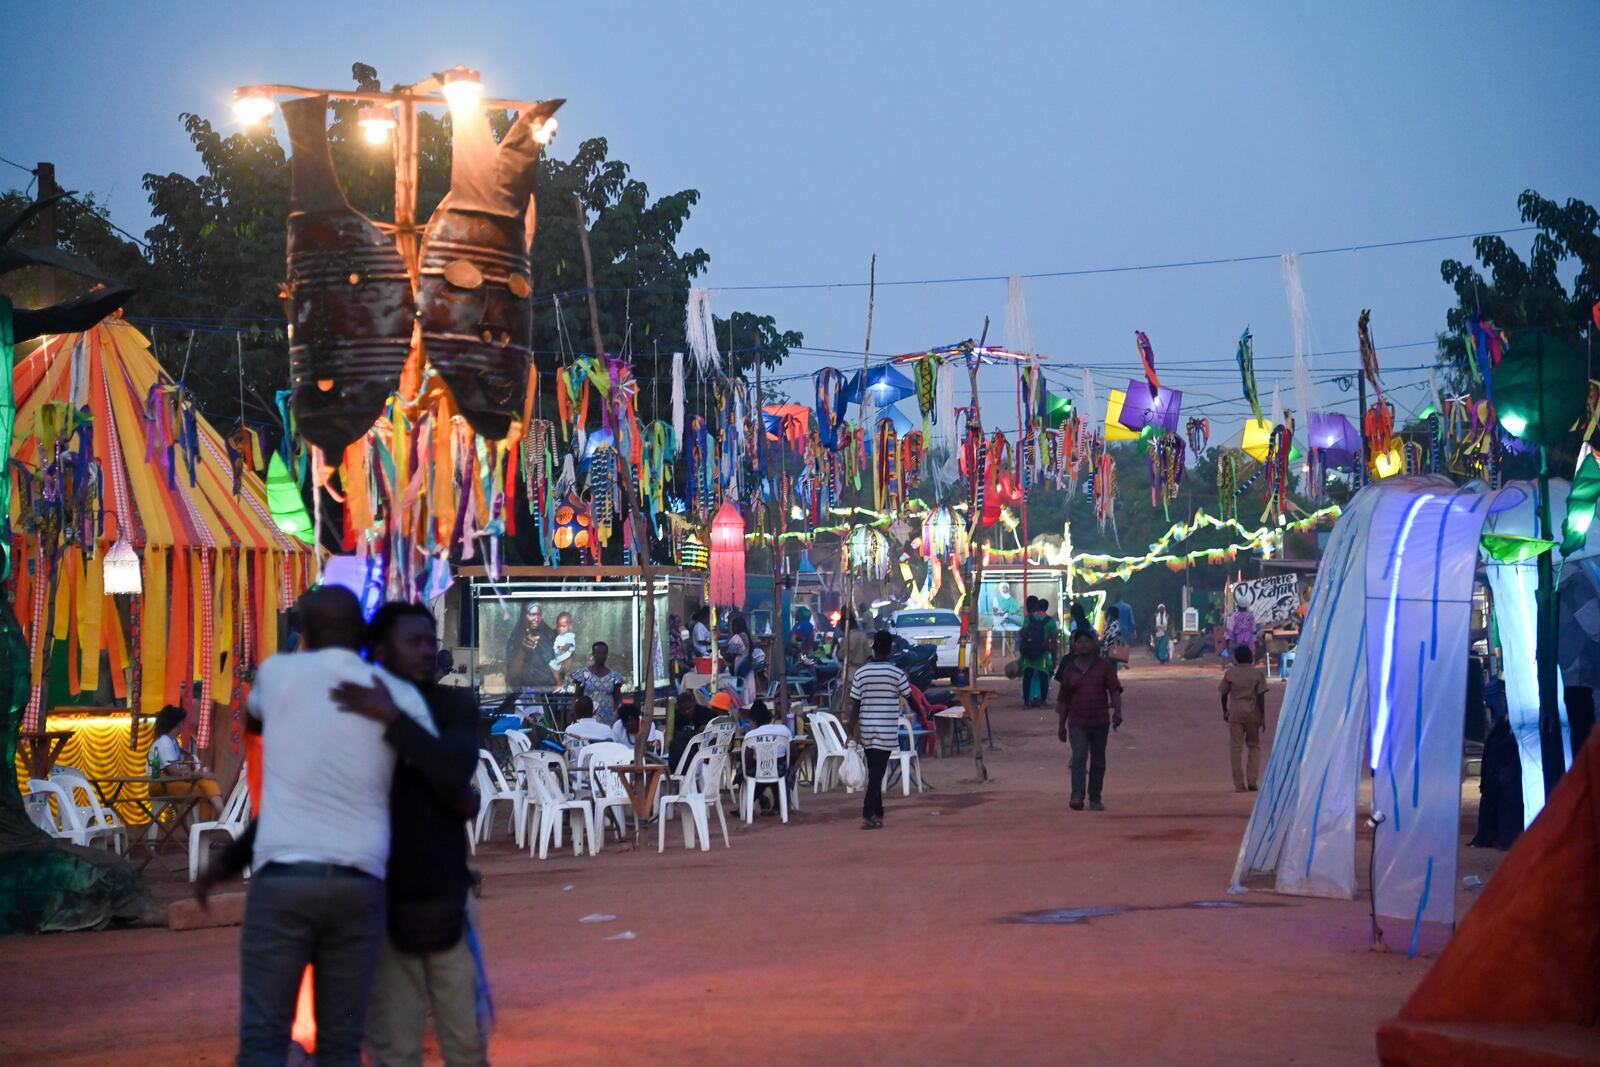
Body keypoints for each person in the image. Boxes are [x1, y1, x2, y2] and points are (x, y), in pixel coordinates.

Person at [233, 586, 436, 1067]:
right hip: (358, 882)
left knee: (264, 1035)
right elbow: (433, 771)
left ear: (300, 630)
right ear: (363, 631)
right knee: (342, 1041)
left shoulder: (277, 674)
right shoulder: (396, 694)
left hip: (282, 879)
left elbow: (255, 722)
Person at [329, 602, 487, 1067]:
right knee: (396, 1050)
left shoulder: (454, 703)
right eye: (412, 642)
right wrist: (450, 791)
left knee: (466, 1046)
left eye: (429, 642)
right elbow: (453, 788)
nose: (425, 652)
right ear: (379, 650)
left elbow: (456, 770)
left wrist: (393, 722)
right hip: (381, 901)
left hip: (446, 897)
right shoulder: (352, 715)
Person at [847, 629, 911, 830]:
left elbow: (855, 705)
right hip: (885, 729)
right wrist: (924, 713)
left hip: (866, 728)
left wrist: (850, 729)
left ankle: (878, 812)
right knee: (877, 773)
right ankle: (867, 812)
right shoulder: (896, 673)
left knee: (875, 770)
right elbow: (911, 698)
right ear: (890, 649)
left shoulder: (861, 672)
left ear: (874, 648)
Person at [1055, 628, 1124, 811]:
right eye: (1079, 642)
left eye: (1087, 641)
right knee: (1079, 757)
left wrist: (1118, 712)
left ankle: (1095, 797)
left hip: (1100, 721)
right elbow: (1064, 699)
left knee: (1098, 760)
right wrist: (1061, 725)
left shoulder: (1104, 666)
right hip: (1077, 722)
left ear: (1094, 644)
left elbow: (1114, 689)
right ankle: (1077, 795)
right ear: (1074, 646)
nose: (1083, 645)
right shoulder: (1070, 669)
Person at [146, 704, 224, 818]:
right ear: (177, 723)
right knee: (204, 792)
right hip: (160, 785)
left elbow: (185, 761)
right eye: (183, 722)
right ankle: (211, 821)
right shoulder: (164, 743)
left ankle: (213, 819)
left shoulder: (172, 742)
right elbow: (174, 772)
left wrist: (196, 767)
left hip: (171, 783)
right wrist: (200, 774)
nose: (184, 726)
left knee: (206, 785)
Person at [1218, 645, 1268, 792]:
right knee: (1254, 746)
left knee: (1236, 748)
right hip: (1252, 713)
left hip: (1235, 713)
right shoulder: (1257, 674)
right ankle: (1252, 780)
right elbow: (1260, 696)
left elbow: (1223, 694)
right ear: (1250, 657)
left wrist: (1225, 710)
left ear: (1236, 658)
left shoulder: (1230, 673)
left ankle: (1239, 784)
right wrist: (1262, 716)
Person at [742, 700, 793, 815]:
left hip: (760, 771)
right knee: (776, 770)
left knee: (752, 771)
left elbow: (748, 761)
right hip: (781, 770)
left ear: (754, 720)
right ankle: (779, 805)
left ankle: (751, 804)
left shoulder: (750, 735)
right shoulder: (783, 730)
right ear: (770, 716)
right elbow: (791, 751)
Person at [1018, 597, 1060, 709]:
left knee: (1027, 676)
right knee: (1044, 676)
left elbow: (1022, 633)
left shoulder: (1029, 618)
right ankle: (1042, 702)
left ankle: (1026, 702)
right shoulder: (1050, 621)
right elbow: (1054, 641)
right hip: (1043, 654)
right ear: (1047, 607)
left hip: (1029, 653)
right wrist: (1055, 657)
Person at [568, 641, 625, 725]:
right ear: (593, 654)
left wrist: (617, 712)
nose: (601, 656)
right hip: (587, 717)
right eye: (598, 653)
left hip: (608, 718)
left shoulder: (614, 676)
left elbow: (618, 698)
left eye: (603, 653)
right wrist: (573, 709)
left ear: (607, 654)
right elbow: (577, 695)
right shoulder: (584, 674)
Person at [831, 608, 872, 717]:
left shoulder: (847, 638)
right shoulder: (863, 636)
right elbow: (869, 655)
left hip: (850, 675)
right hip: (863, 674)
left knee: (846, 705)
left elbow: (840, 655)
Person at [504, 603, 555, 689]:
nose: (536, 618)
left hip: (549, 691)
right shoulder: (515, 639)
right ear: (524, 616)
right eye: (532, 614)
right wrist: (523, 651)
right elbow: (512, 675)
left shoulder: (549, 636)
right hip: (523, 693)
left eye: (539, 615)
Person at [667, 695, 714, 775]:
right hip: (685, 751)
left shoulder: (704, 712)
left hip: (703, 749)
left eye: (689, 708)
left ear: (693, 704)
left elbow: (715, 725)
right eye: (683, 710)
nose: (686, 712)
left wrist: (707, 728)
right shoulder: (677, 716)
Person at [547, 612, 577, 685]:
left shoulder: (569, 636)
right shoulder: (553, 635)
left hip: (563, 658)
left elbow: (570, 647)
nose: (560, 628)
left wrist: (570, 659)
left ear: (570, 626)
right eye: (558, 626)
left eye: (563, 626)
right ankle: (560, 683)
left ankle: (564, 683)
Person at [690, 605, 713, 673]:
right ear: (705, 616)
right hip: (702, 655)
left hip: (707, 654)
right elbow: (701, 641)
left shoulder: (703, 626)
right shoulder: (698, 626)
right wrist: (713, 643)